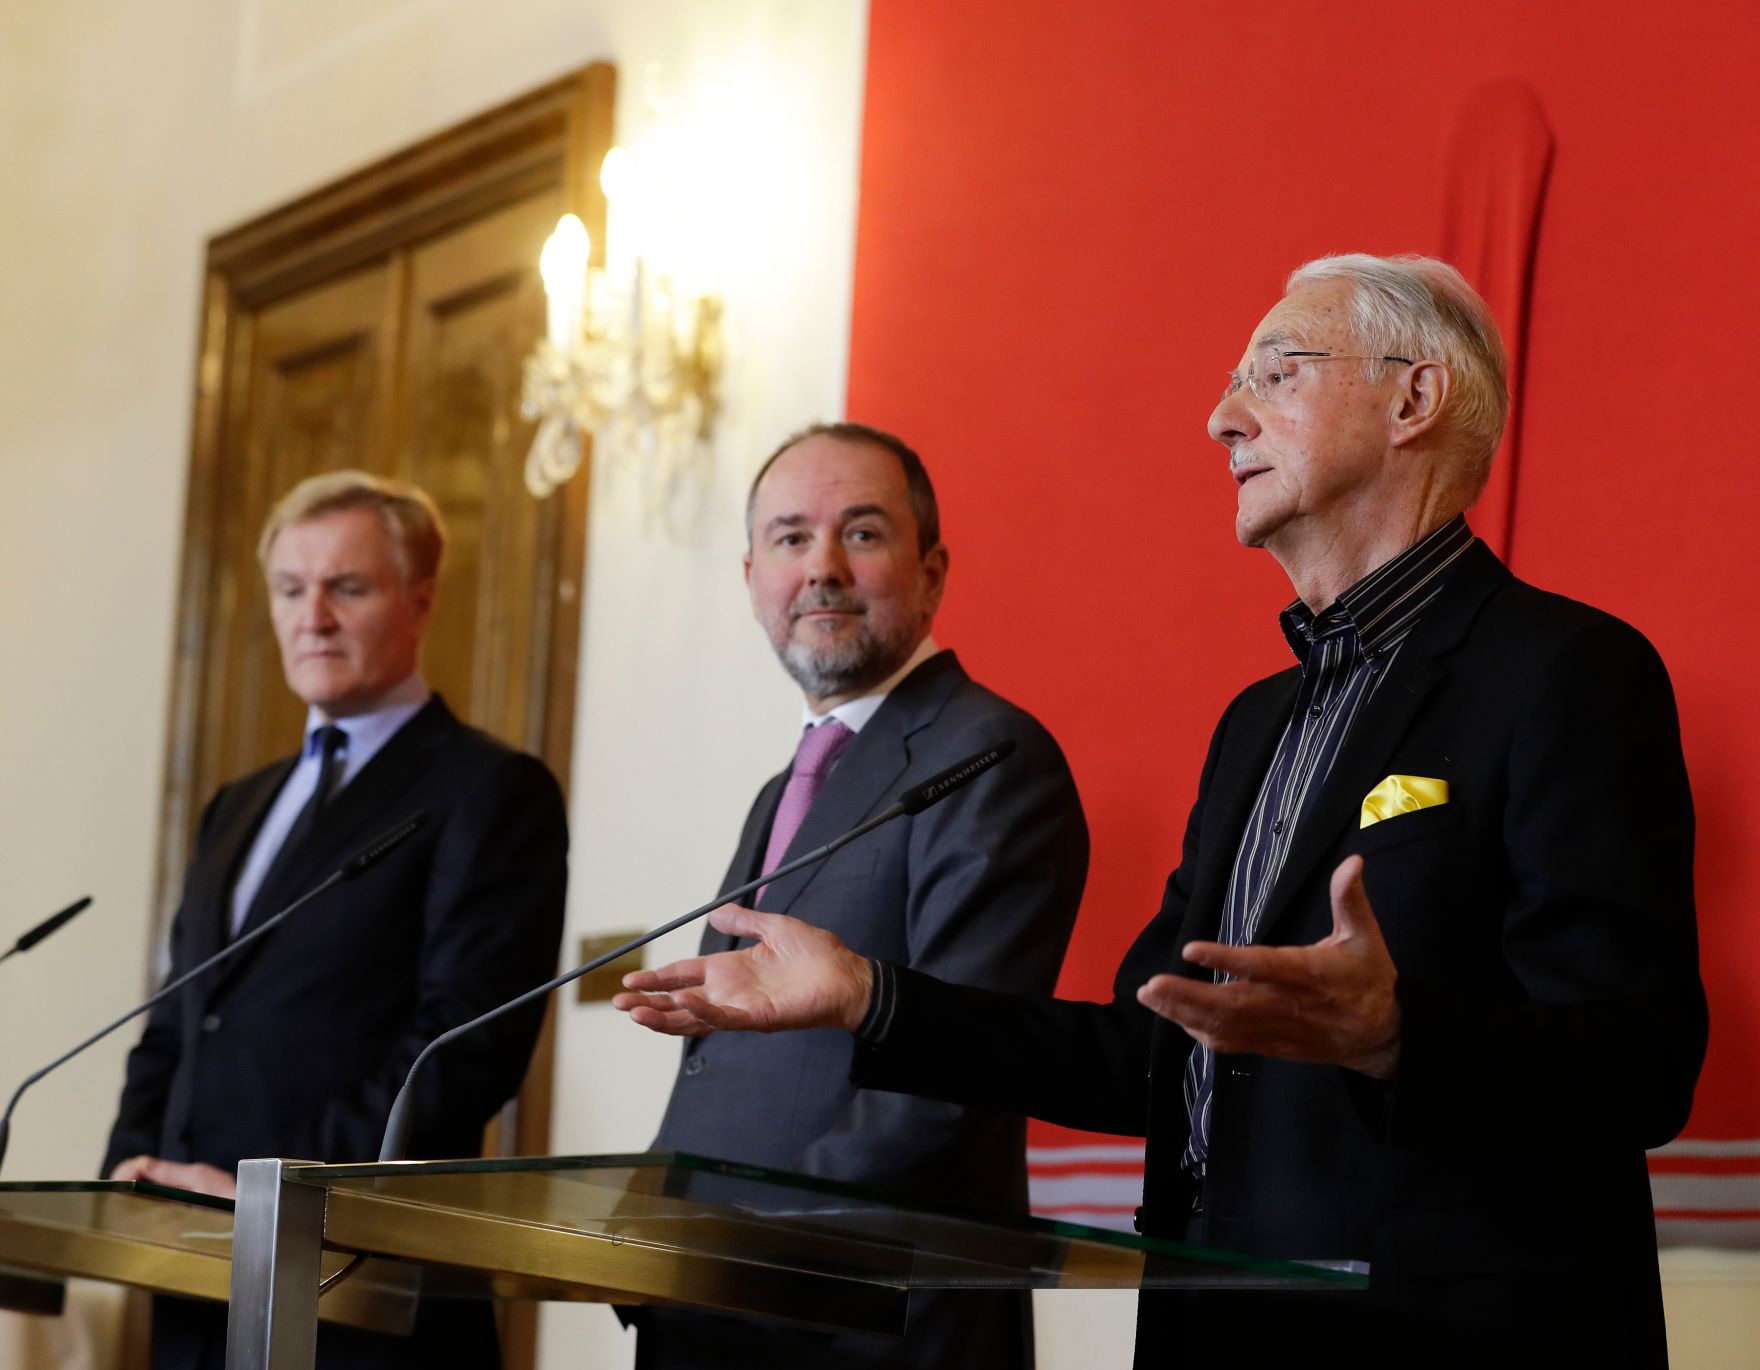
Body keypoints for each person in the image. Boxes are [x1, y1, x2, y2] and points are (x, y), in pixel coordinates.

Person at [617, 259, 1707, 1368]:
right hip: (1214, 1325)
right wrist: (867, 995)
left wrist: (1394, 1033)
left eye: (1274, 374)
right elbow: (1146, 1047)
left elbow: (1642, 1062)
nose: (1221, 417)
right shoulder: (1254, 722)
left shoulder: (1567, 673)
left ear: (1411, 401)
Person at [628, 423, 1089, 1369]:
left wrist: (738, 1245)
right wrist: (648, 1234)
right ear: (753, 574)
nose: (823, 567)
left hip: (872, 1322)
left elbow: (952, 1082)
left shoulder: (993, 760)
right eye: (792, 538)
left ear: (933, 570)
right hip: (715, 1312)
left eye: (864, 533)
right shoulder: (787, 784)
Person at [105, 470, 568, 1370]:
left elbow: (459, 1052)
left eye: (346, 588)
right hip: (196, 1285)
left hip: (361, 1297)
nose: (311, 615)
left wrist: (272, 1194)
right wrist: (130, 1175)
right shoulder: (236, 806)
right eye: (290, 589)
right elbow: (181, 1019)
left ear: (420, 600)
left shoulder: (488, 790)